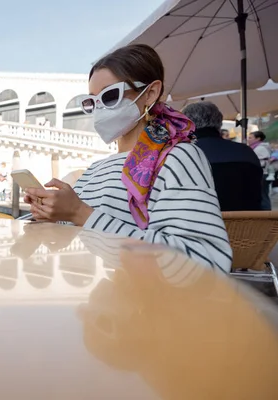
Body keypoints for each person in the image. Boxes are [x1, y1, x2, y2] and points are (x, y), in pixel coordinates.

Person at [24, 44, 232, 272]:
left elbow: (206, 260)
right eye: (92, 101)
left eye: (110, 95)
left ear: (150, 93)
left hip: (148, 302)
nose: (100, 108)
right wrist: (51, 215)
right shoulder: (95, 169)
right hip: (105, 300)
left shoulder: (177, 158)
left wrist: (79, 212)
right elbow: (79, 233)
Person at [182, 102, 263, 211]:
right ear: (219, 122)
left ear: (186, 123)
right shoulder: (246, 152)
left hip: (197, 224)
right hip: (247, 225)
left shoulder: (180, 154)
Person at [248, 131, 273, 210]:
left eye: (250, 138)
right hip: (263, 174)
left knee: (263, 196)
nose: (248, 139)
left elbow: (257, 162)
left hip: (262, 174)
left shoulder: (260, 148)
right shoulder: (258, 147)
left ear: (258, 139)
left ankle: (266, 215)